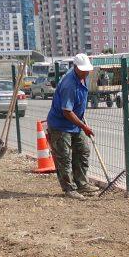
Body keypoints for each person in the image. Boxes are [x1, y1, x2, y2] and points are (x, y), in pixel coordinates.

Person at [46, 53, 96, 200]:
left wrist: (81, 121)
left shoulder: (82, 77)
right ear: (75, 67)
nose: (86, 72)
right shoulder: (69, 84)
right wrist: (84, 127)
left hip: (74, 123)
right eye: (83, 70)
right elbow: (67, 111)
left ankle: (82, 183)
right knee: (64, 158)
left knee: (83, 150)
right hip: (60, 125)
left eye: (87, 69)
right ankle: (69, 189)